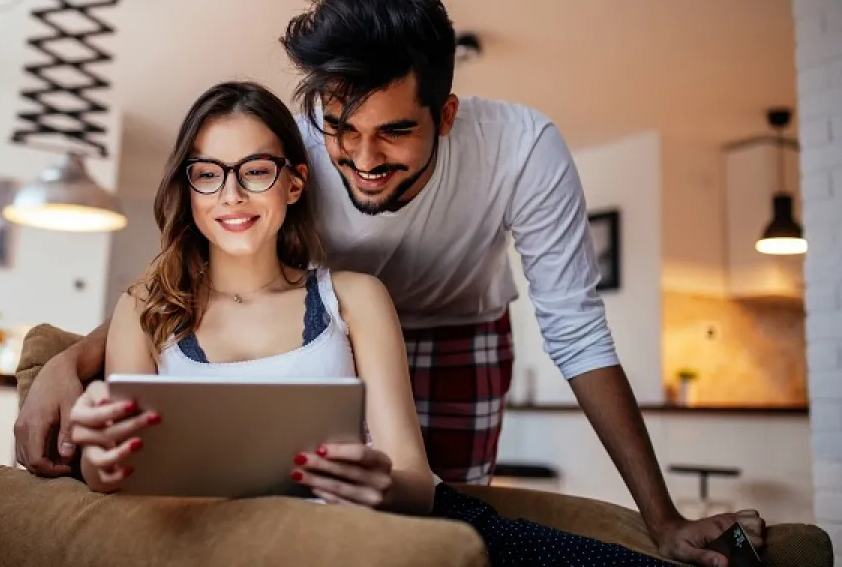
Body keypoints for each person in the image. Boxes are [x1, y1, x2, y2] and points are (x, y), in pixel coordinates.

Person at [14, 0, 765, 566]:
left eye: (395, 132)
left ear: (445, 115)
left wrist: (663, 520)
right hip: (330, 325)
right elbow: (196, 277)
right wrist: (69, 364)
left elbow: (576, 331)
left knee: (446, 517)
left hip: (460, 326)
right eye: (342, 131)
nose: (363, 161)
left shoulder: (522, 149)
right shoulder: (285, 150)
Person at [71, 79, 701, 566]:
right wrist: (99, 455)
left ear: (294, 183)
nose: (231, 195)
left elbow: (415, 483)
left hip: (358, 540)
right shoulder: (144, 310)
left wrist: (382, 484)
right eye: (208, 175)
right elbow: (116, 479)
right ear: (188, 188)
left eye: (256, 171)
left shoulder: (355, 299)